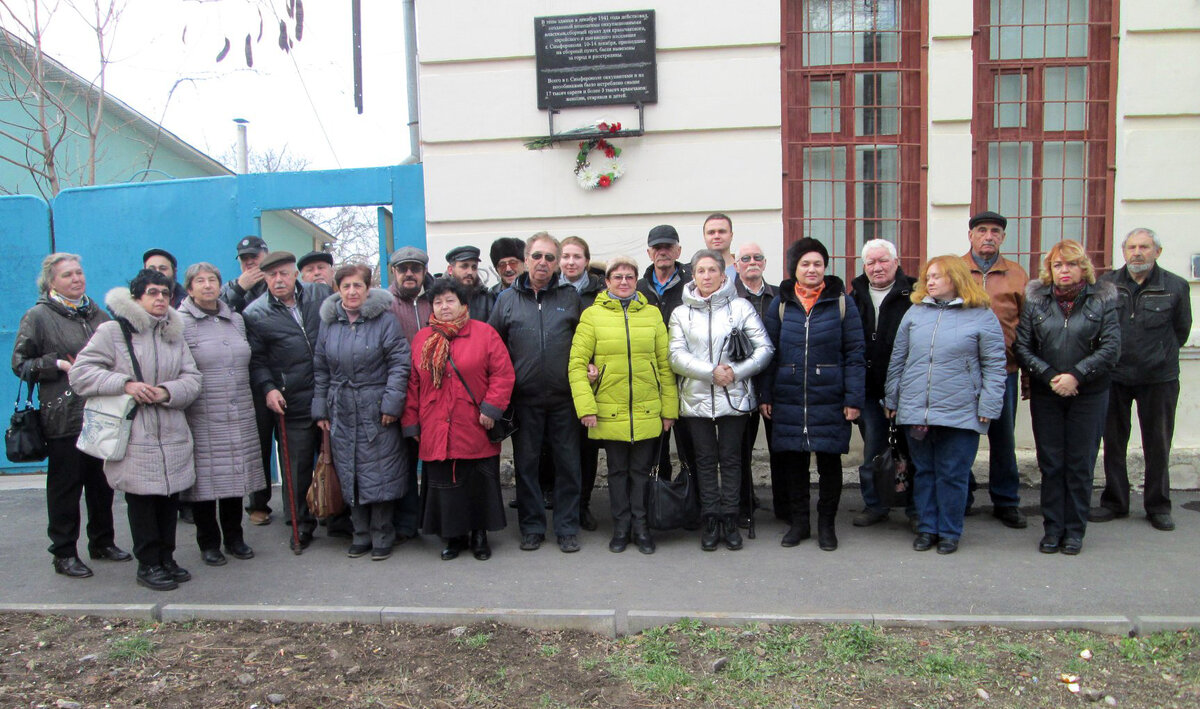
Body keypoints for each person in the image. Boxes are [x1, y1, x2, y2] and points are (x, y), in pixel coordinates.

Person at [69, 269, 202, 591]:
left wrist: (167, 392)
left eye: (165, 294)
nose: (160, 299)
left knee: (169, 497)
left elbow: (193, 378)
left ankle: (166, 557)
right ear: (136, 298)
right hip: (134, 431)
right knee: (142, 499)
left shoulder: (174, 333)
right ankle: (149, 563)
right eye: (153, 293)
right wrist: (125, 384)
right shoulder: (113, 331)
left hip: (170, 427)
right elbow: (81, 374)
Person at [12, 253, 130, 579]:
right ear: (51, 282)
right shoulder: (38, 316)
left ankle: (102, 542)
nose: (76, 279)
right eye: (67, 275)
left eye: (79, 272)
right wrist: (56, 365)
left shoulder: (99, 315)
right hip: (63, 415)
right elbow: (20, 363)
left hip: (101, 411)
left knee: (101, 483)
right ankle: (63, 553)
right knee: (65, 487)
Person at [884, 256, 1006, 555]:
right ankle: (927, 528)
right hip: (918, 408)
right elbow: (898, 359)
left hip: (961, 410)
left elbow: (994, 364)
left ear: (956, 278)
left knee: (953, 473)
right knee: (924, 471)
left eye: (937, 276)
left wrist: (989, 404)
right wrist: (892, 397)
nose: (930, 282)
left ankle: (950, 531)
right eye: (928, 277)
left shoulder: (981, 315)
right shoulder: (916, 312)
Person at [760, 238, 865, 552]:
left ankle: (826, 525)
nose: (811, 269)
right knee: (794, 465)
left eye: (817, 263)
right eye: (805, 264)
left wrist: (853, 399)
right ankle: (800, 523)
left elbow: (856, 353)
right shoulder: (781, 303)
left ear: (825, 268)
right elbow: (768, 352)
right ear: (795, 268)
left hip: (829, 396)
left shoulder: (843, 303)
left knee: (830, 465)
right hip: (788, 395)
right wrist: (766, 393)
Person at [1016, 241, 1120, 555]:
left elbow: (1111, 347)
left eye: (1071, 264)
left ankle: (1074, 531)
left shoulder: (1102, 300)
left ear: (1083, 268)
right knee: (1051, 464)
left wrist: (1076, 374)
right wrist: (1049, 376)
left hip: (1088, 393)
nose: (1065, 271)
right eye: (1059, 265)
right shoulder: (1035, 301)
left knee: (1079, 464)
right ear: (1050, 269)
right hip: (1047, 395)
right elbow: (1022, 346)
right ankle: (1052, 529)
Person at [569, 256, 679, 555]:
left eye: (629, 276)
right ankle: (620, 528)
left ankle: (641, 528)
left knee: (641, 472)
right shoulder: (592, 316)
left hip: (647, 408)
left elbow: (665, 365)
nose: (623, 282)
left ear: (636, 280)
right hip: (609, 408)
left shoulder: (653, 315)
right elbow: (577, 364)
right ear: (607, 282)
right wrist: (586, 407)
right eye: (617, 277)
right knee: (617, 472)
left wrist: (669, 409)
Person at [403, 278, 515, 561]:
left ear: (463, 304)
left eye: (450, 301)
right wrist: (412, 422)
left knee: (477, 482)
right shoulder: (422, 339)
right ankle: (453, 536)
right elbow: (413, 384)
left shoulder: (485, 333)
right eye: (438, 302)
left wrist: (491, 408)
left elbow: (503, 374)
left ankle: (479, 535)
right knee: (445, 484)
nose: (444, 307)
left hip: (475, 422)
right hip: (435, 425)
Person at [669, 249, 773, 551]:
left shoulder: (740, 308)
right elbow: (676, 356)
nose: (706, 276)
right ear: (694, 275)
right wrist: (712, 373)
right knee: (703, 460)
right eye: (700, 271)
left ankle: (730, 517)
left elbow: (764, 349)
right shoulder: (681, 313)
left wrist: (736, 372)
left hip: (735, 399)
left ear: (722, 274)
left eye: (712, 270)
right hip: (696, 400)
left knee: (731, 460)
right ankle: (710, 518)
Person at [488, 232, 583, 553]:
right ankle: (531, 527)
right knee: (526, 466)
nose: (543, 262)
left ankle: (567, 528)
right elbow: (494, 349)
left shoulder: (570, 297)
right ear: (526, 259)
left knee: (568, 465)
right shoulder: (505, 301)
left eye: (550, 258)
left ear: (557, 264)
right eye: (537, 256)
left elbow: (586, 343)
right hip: (524, 401)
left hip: (564, 399)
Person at [1093, 228, 1193, 531]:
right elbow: (1097, 326)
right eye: (1132, 247)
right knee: (1113, 441)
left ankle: (1158, 505)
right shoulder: (1107, 283)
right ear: (1124, 252)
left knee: (1158, 443)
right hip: (1114, 375)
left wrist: (1158, 354)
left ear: (1157, 252)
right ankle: (1115, 501)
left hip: (1158, 378)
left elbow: (1182, 330)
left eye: (1145, 247)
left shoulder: (1175, 286)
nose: (1137, 252)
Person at [313, 264, 412, 561]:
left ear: (367, 289)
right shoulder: (329, 324)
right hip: (341, 406)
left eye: (358, 286)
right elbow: (320, 367)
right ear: (338, 290)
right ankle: (360, 534)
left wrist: (391, 404)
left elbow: (399, 364)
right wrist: (321, 407)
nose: (352, 291)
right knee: (349, 471)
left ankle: (383, 534)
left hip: (376, 406)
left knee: (380, 472)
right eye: (346, 286)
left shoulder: (385, 320)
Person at [243, 251, 333, 551]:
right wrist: (269, 388)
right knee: (297, 468)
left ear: (295, 273)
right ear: (264, 278)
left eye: (283, 273)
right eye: (271, 275)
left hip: (331, 394)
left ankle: (338, 517)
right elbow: (256, 360)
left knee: (339, 460)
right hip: (292, 400)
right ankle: (301, 526)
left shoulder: (320, 293)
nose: (278, 280)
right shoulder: (255, 313)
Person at [177, 262, 265, 566]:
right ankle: (209, 542)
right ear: (189, 289)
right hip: (201, 412)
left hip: (238, 409)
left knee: (234, 477)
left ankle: (235, 538)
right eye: (199, 281)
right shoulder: (180, 322)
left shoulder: (235, 320)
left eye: (212, 280)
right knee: (205, 482)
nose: (207, 285)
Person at [961, 211, 1028, 528]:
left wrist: (1026, 372)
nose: (989, 236)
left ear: (1003, 237)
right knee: (961, 438)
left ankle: (1006, 501)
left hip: (1004, 370)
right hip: (961, 372)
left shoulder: (1016, 274)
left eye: (996, 231)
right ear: (971, 235)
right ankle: (963, 495)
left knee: (1003, 439)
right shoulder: (955, 270)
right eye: (982, 230)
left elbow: (1027, 326)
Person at [849, 239, 917, 529]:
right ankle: (875, 505)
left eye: (883, 261)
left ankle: (916, 508)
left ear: (896, 262)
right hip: (869, 388)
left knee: (913, 449)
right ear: (864, 266)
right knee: (874, 450)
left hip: (907, 389)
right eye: (871, 263)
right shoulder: (854, 297)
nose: (877, 268)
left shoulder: (914, 294)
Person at [636, 224, 696, 480]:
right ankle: (659, 506)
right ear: (649, 253)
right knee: (654, 451)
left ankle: (690, 504)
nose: (663, 252)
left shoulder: (692, 284)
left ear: (678, 250)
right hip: (650, 380)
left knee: (690, 449)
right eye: (657, 247)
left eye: (668, 247)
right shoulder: (637, 286)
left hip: (687, 378)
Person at [732, 242, 785, 524]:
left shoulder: (779, 296)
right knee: (741, 449)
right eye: (745, 258)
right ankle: (744, 504)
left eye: (757, 258)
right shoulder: (729, 298)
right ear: (735, 264)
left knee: (780, 447)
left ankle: (784, 505)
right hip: (740, 384)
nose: (752, 262)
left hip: (775, 383)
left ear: (764, 264)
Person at [384, 245, 433, 543]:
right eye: (403, 269)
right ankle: (405, 522)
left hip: (433, 392)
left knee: (433, 459)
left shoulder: (435, 301)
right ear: (394, 273)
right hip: (399, 392)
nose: (410, 274)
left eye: (415, 269)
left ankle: (430, 517)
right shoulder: (383, 304)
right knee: (402, 460)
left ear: (424, 272)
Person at [560, 236, 606, 531]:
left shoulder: (599, 293)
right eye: (566, 256)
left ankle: (584, 504)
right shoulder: (551, 290)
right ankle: (566, 505)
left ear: (587, 261)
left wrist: (596, 365)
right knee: (564, 450)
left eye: (577, 256)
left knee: (587, 450)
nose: (571, 262)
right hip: (558, 383)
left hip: (592, 384)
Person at [220, 236, 270, 313]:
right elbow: (214, 312)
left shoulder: (277, 282)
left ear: (267, 256)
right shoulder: (230, 286)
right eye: (244, 258)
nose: (249, 262)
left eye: (254, 256)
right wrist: (238, 290)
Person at [445, 245, 494, 322]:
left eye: (474, 267)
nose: (470, 272)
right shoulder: (439, 297)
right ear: (450, 269)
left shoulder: (487, 299)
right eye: (464, 266)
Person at [701, 213, 738, 279]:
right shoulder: (690, 271)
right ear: (704, 237)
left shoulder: (744, 269)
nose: (716, 236)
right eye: (711, 232)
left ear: (731, 236)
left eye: (722, 232)